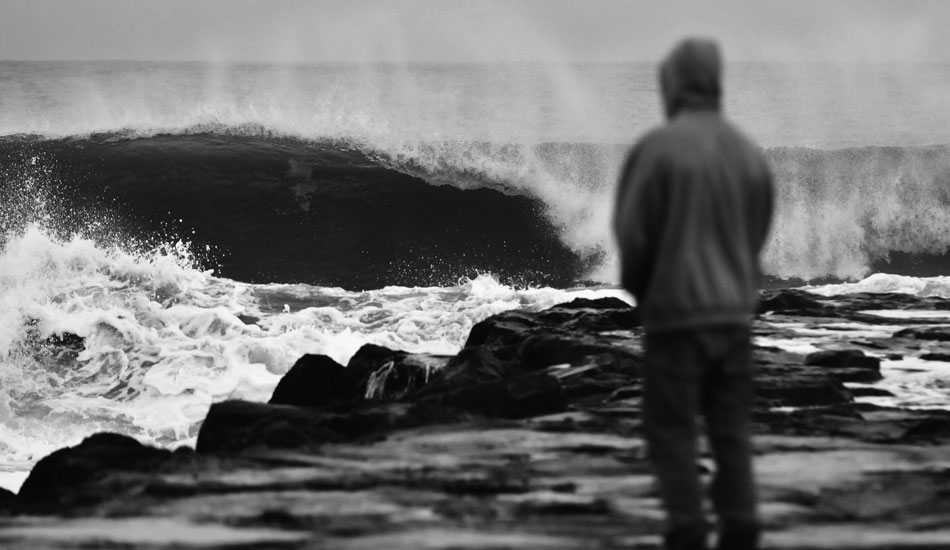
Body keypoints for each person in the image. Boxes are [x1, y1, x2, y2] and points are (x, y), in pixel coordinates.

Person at [613, 38, 774, 550]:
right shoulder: (747, 151)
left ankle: (687, 529)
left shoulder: (657, 149)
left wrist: (642, 293)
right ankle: (742, 524)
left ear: (674, 84)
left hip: (676, 317)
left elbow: (634, 236)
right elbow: (757, 229)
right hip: (733, 317)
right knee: (731, 431)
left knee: (673, 429)